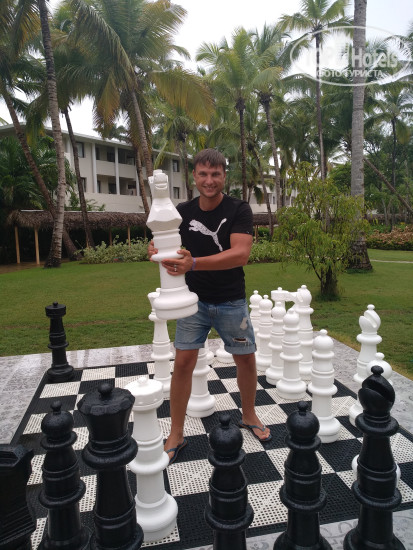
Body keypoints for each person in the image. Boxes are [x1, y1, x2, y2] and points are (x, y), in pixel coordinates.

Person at [148, 148, 271, 464]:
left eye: (215, 174)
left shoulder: (239, 209)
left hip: (231, 300)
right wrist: (158, 248)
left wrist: (193, 263)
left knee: (245, 360)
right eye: (203, 174)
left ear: (224, 176)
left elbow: (240, 254)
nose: (209, 180)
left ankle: (249, 414)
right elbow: (167, 243)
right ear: (194, 176)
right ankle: (176, 432)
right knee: (183, 363)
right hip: (194, 303)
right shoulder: (182, 211)